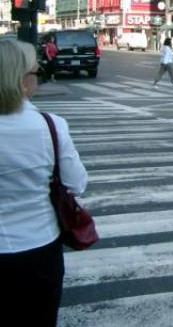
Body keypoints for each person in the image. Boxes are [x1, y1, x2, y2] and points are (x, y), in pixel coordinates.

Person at [0, 38, 88, 326]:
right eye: (36, 73)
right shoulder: (51, 126)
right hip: (39, 248)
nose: (38, 80)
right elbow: (77, 184)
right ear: (21, 81)